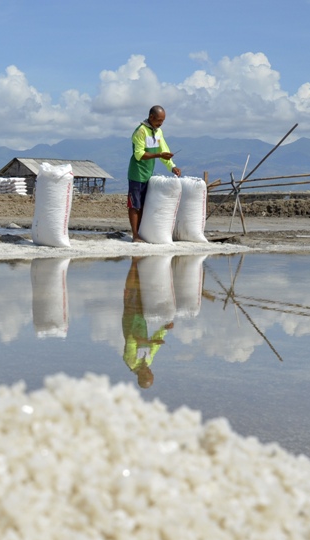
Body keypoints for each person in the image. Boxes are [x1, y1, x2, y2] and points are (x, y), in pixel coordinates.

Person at [127, 105, 181, 242]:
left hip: (148, 174)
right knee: (135, 205)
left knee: (144, 205)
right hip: (137, 173)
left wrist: (172, 167)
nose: (160, 123)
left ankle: (141, 233)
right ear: (151, 117)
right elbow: (138, 154)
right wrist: (159, 155)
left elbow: (164, 150)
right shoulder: (141, 131)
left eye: (163, 121)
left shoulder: (158, 132)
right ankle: (135, 235)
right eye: (158, 120)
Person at [122, 257, 173, 389]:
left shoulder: (131, 362)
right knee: (140, 294)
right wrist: (165, 328)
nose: (150, 370)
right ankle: (139, 264)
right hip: (142, 323)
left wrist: (150, 342)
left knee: (131, 293)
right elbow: (156, 343)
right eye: (151, 373)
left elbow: (131, 340)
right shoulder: (148, 360)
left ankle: (134, 262)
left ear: (141, 376)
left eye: (149, 373)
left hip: (130, 321)